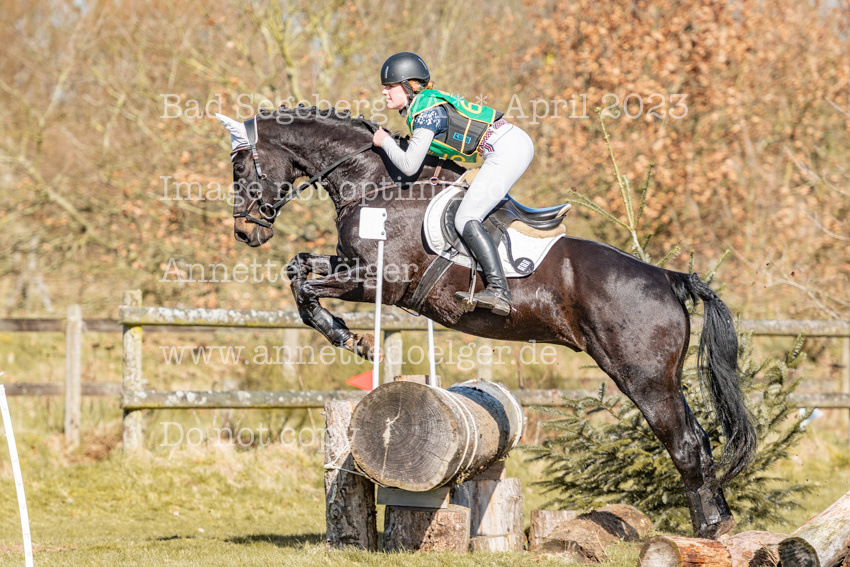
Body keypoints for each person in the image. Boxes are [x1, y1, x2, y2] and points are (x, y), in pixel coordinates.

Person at [372, 52, 534, 317]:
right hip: (508, 144)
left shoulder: (426, 113)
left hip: (506, 150)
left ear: (408, 87)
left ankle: (499, 291)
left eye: (390, 86)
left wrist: (385, 141)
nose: (384, 92)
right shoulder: (425, 105)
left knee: (466, 217)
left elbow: (409, 165)